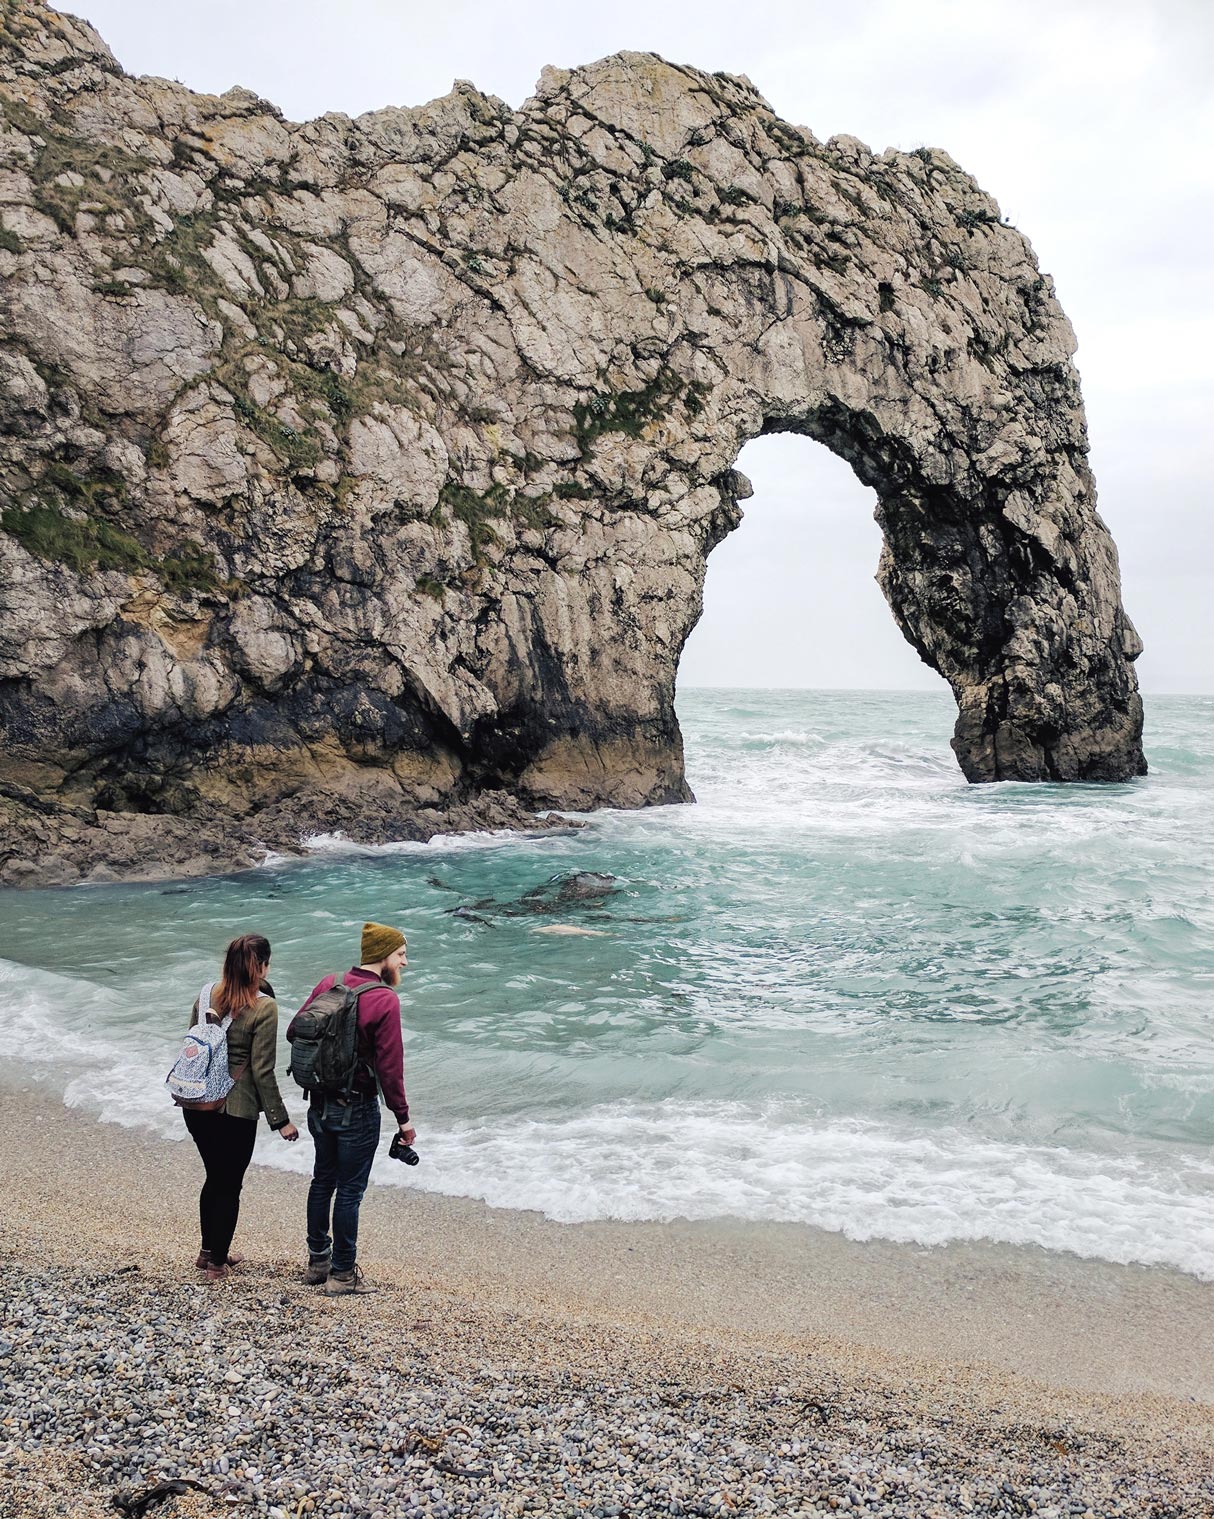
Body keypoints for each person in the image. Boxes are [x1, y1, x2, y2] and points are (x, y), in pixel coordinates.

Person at [291, 922, 415, 1296]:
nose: (405, 963)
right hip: (358, 1109)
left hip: (319, 1104)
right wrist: (404, 1120)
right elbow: (391, 1070)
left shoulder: (329, 983)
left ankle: (318, 1263)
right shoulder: (385, 999)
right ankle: (343, 1275)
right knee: (349, 1192)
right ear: (383, 957)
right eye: (401, 955)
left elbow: (294, 1031)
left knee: (323, 1180)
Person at [183, 933, 299, 1281]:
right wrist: (281, 1121)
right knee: (229, 1184)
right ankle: (217, 1264)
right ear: (263, 966)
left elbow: (194, 1045)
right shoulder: (265, 1006)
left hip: (197, 1104)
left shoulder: (206, 993)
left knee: (215, 1177)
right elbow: (263, 1070)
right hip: (234, 1108)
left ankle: (208, 1252)